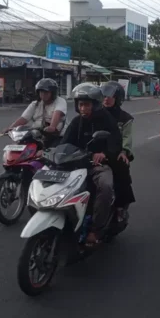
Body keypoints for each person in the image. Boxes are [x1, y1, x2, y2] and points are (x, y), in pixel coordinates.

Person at [61, 83, 123, 247]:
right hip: (76, 164)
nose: (83, 108)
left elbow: (116, 141)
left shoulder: (106, 119)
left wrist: (105, 154)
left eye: (86, 104)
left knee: (106, 186)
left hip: (97, 165)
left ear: (95, 105)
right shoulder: (76, 122)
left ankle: (96, 229)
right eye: (80, 104)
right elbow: (64, 143)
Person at [100, 81, 135, 221]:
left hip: (116, 153)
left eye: (110, 96)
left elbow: (127, 137)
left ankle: (121, 207)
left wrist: (124, 151)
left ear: (118, 99)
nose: (106, 99)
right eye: (104, 96)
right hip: (97, 151)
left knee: (122, 170)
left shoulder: (124, 118)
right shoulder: (97, 114)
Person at [4, 78, 67, 148]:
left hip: (57, 137)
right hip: (38, 136)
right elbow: (24, 118)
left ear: (52, 93)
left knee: (50, 155)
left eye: (46, 92)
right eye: (41, 92)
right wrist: (11, 128)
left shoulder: (60, 101)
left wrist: (52, 126)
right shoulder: (35, 104)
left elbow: (57, 113)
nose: (43, 94)